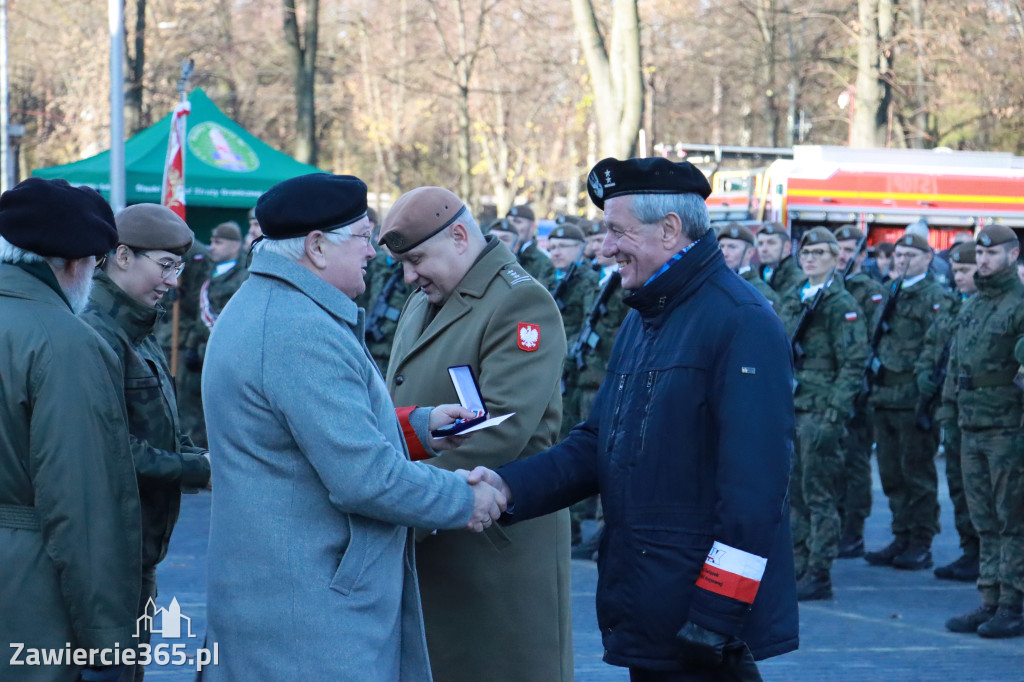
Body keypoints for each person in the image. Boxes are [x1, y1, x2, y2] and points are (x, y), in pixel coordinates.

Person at [466, 157, 798, 680]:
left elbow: (755, 492)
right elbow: (596, 444)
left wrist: (715, 617)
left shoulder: (740, 322)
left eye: (617, 231)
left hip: (697, 623)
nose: (605, 248)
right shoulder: (646, 318)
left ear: (669, 230)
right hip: (650, 603)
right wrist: (506, 488)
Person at [201, 174, 507, 680]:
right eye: (364, 238)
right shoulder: (298, 329)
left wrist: (423, 426)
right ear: (317, 247)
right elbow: (364, 478)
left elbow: (301, 440)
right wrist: (463, 497)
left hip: (286, 600)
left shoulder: (275, 307)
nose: (374, 253)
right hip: (309, 618)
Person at [380, 187, 573, 682]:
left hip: (491, 550)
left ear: (461, 236)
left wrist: (402, 501)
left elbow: (498, 432)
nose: (409, 276)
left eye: (417, 259)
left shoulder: (520, 300)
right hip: (437, 528)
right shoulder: (426, 298)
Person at [0, 177, 142, 682]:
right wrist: (108, 643)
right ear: (76, 263)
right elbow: (82, 504)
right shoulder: (66, 342)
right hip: (27, 597)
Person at [80, 204, 213, 682]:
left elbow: (161, 426)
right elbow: (109, 451)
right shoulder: (95, 331)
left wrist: (202, 456)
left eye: (178, 268)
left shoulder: (138, 327)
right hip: (105, 555)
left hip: (137, 551)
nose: (174, 282)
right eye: (165, 266)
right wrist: (202, 470)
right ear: (120, 255)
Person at [779, 227, 869, 600]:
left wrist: (834, 414)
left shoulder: (840, 304)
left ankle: (819, 571)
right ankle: (798, 564)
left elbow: (853, 363)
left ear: (836, 258)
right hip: (791, 407)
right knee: (795, 495)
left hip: (819, 411)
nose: (810, 259)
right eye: (806, 252)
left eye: (819, 253)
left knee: (819, 496)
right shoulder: (796, 297)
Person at [943, 225, 1024, 639]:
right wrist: (947, 416)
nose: (985, 261)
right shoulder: (973, 304)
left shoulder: (1018, 304)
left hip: (1007, 429)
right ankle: (989, 599)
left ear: (1012, 256)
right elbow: (957, 367)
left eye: (993, 254)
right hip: (970, 426)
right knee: (984, 521)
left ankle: (1013, 604)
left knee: (1013, 521)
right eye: (981, 254)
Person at [864, 233, 955, 571]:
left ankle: (921, 541)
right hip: (884, 395)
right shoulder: (891, 290)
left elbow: (936, 349)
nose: (901, 260)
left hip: (913, 399)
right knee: (890, 474)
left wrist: (928, 394)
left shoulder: (934, 296)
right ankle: (901, 534)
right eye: (898, 255)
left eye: (910, 255)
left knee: (917, 474)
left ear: (928, 258)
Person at [917, 241, 980, 582]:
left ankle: (987, 556)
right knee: (958, 485)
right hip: (950, 409)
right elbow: (932, 346)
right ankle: (971, 551)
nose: (959, 277)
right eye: (955, 271)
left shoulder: (986, 308)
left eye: (965, 271)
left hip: (982, 413)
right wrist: (924, 378)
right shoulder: (953, 305)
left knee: (981, 491)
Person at [832, 225, 886, 558]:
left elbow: (871, 341)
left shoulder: (868, 291)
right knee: (833, 465)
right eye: (836, 248)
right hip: (831, 389)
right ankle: (837, 527)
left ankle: (853, 532)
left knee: (854, 464)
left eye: (848, 248)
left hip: (859, 390)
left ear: (862, 255)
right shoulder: (827, 288)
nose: (841, 255)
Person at [180, 221, 249, 446]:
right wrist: (190, 346)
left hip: (225, 356)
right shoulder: (207, 272)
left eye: (218, 242)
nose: (212, 247)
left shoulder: (244, 276)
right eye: (211, 241)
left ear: (235, 245)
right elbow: (196, 315)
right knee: (191, 415)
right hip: (199, 355)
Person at [719, 222, 779, 308]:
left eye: (732, 247)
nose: (724, 253)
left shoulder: (761, 292)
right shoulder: (714, 283)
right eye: (721, 246)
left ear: (749, 252)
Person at [506, 203, 556, 282]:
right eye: (509, 222)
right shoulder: (501, 255)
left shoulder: (544, 262)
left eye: (518, 222)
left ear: (532, 226)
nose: (511, 226)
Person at [756, 222, 801, 296]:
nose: (764, 249)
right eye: (760, 244)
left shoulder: (797, 277)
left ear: (786, 246)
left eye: (771, 243)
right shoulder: (758, 273)